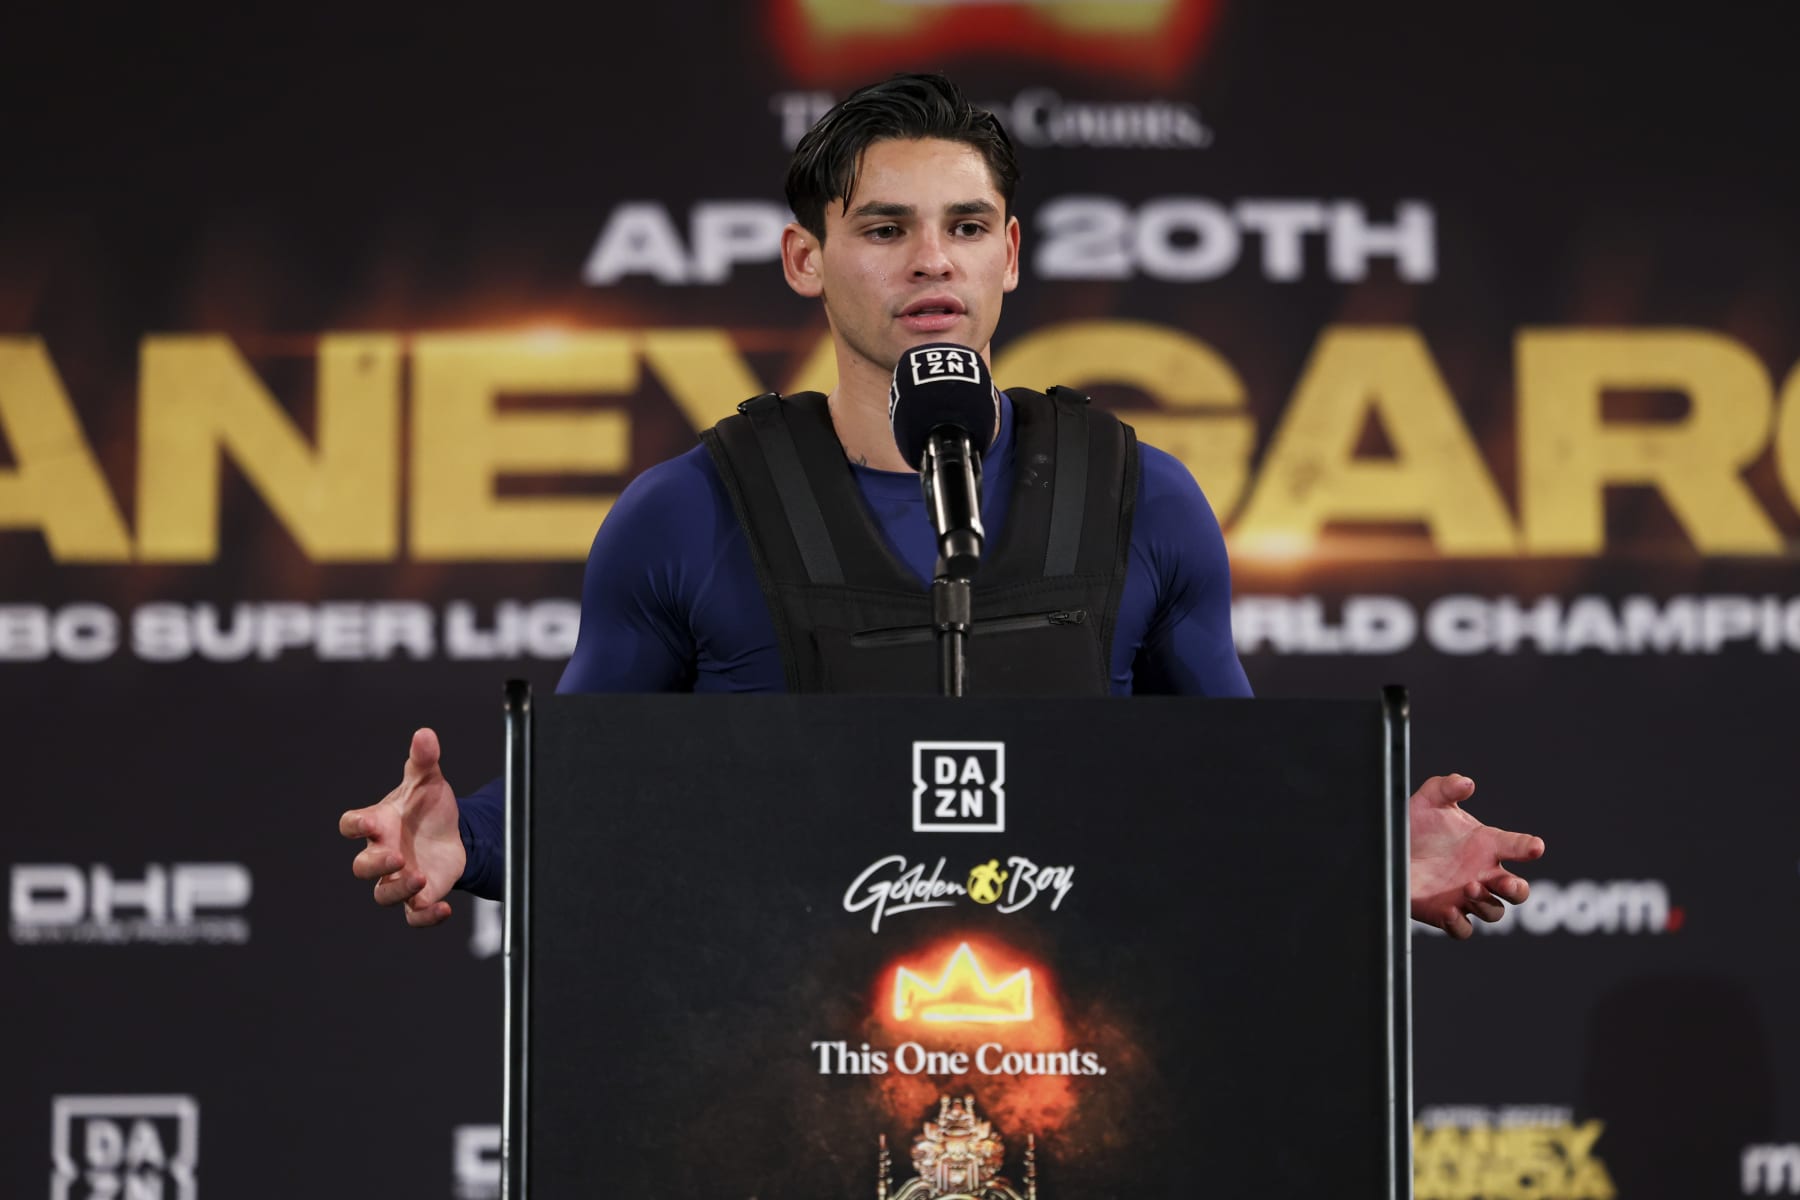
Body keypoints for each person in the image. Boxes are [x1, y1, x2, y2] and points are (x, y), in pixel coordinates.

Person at [338, 73, 1542, 941]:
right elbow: (589, 795)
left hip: (1080, 1063)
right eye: (885, 228)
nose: (933, 261)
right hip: (777, 1068)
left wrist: (1370, 849)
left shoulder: (1142, 497)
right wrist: (466, 840)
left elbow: (1222, 784)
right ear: (807, 259)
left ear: (1010, 255)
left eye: (966, 228)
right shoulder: (685, 515)